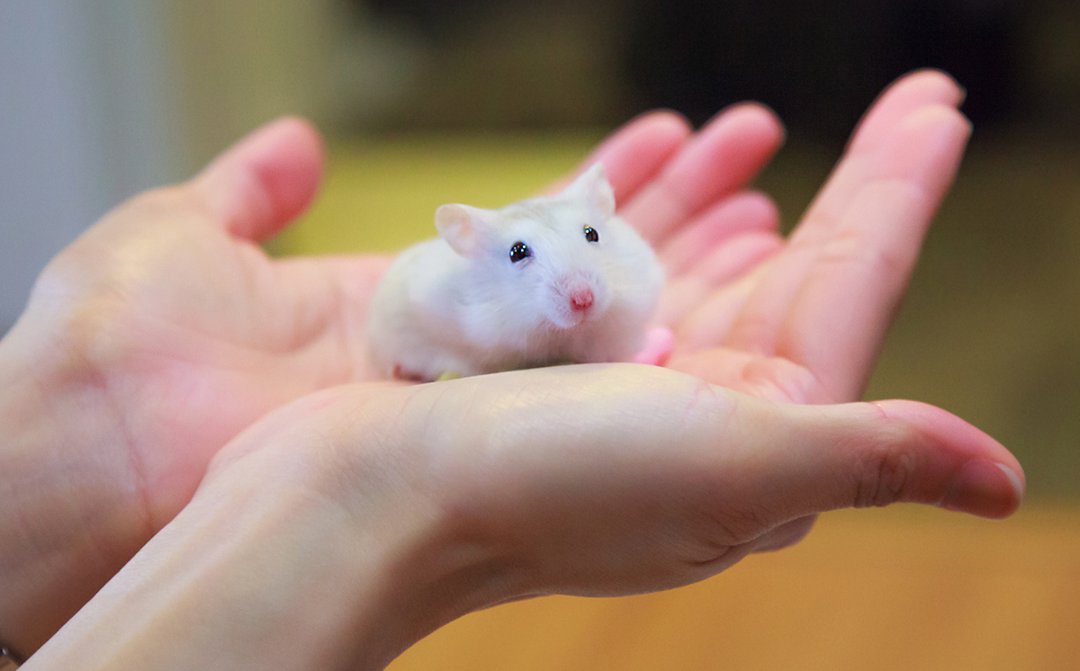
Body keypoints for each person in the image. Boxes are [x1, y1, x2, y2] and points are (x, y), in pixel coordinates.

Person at [0, 70, 1023, 670]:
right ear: (476, 249)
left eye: (590, 239)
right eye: (533, 259)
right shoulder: (436, 288)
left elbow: (607, 299)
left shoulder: (615, 269)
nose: (575, 282)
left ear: (604, 218)